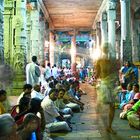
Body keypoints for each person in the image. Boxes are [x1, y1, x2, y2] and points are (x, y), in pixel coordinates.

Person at [95, 43, 118, 134]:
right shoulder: (99, 61)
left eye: (107, 48)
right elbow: (97, 75)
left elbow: (116, 72)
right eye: (105, 48)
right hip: (104, 84)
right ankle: (104, 123)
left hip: (111, 85)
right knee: (102, 106)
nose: (106, 49)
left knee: (112, 106)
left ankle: (109, 126)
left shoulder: (113, 60)